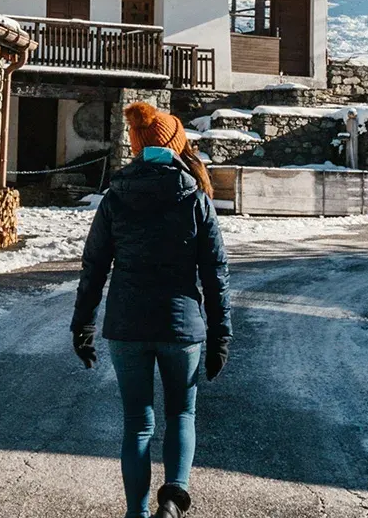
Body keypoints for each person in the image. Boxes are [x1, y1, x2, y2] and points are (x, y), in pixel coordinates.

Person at [71, 100, 231, 518]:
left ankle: (137, 513)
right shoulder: (194, 197)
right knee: (181, 412)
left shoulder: (115, 196)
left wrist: (83, 323)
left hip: (126, 326)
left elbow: (94, 267)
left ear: (137, 147)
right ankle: (174, 498)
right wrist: (221, 335)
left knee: (137, 423)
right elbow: (215, 272)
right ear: (176, 144)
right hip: (182, 328)